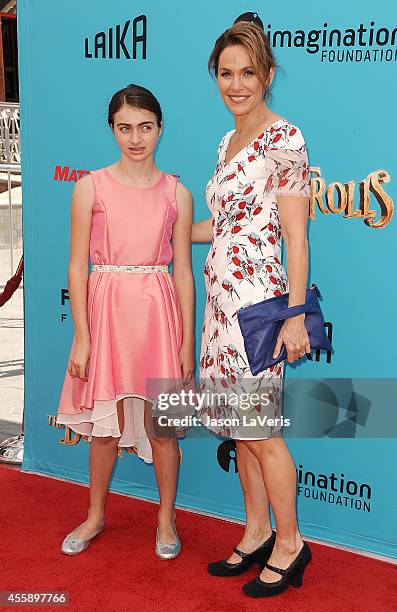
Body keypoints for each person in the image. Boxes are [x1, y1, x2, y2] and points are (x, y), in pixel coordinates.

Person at [192, 21, 312, 597]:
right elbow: (223, 225)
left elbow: (296, 237)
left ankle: (291, 546)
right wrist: (163, 234)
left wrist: (294, 315)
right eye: (225, 73)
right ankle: (258, 530)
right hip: (220, 305)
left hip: (260, 311)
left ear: (266, 75)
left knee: (262, 432)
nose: (235, 84)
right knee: (241, 432)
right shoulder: (227, 142)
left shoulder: (284, 140)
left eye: (246, 73)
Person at [56, 84, 194, 560]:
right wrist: (81, 336)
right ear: (112, 129)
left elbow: (182, 271)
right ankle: (95, 515)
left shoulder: (177, 192)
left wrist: (185, 341)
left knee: (163, 427)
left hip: (158, 314)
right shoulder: (89, 186)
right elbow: (77, 266)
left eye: (146, 127)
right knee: (104, 427)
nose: (136, 138)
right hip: (107, 312)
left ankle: (165, 518)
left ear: (160, 128)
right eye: (125, 128)